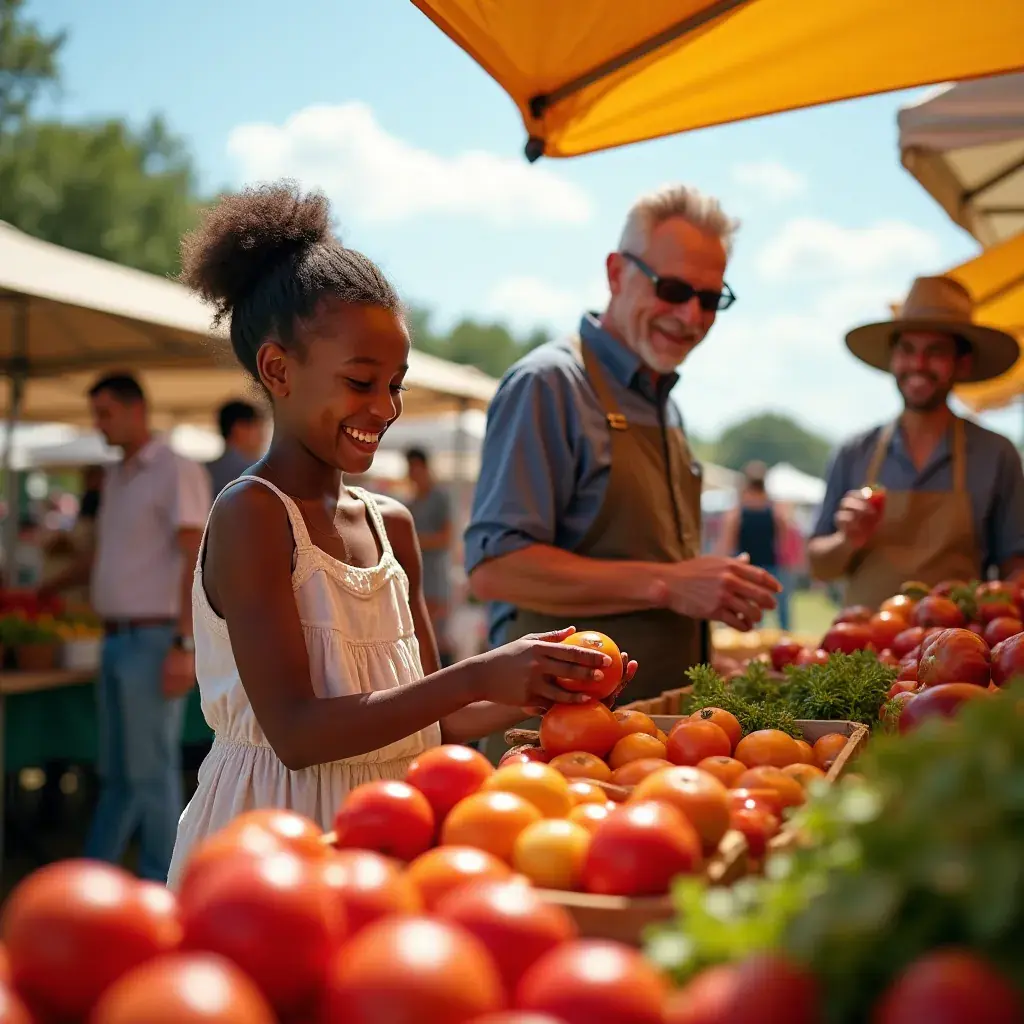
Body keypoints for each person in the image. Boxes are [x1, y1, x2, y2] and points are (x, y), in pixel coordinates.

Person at [166, 181, 635, 888]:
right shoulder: (253, 514)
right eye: (361, 382)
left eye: (396, 384)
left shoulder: (392, 526)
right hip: (273, 845)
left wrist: (544, 690)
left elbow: (432, 719)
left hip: (390, 830)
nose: (385, 408)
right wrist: (477, 673)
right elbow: (296, 733)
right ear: (277, 370)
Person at [464, 184, 780, 701]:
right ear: (616, 273)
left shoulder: (665, 405)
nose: (692, 316)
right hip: (558, 732)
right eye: (672, 290)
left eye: (709, 299)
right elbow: (496, 570)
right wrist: (669, 583)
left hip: (654, 728)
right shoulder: (550, 384)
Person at [38, 374, 212, 882]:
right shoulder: (116, 476)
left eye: (105, 413)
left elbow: (195, 558)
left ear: (138, 410)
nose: (98, 425)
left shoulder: (175, 469)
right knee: (118, 775)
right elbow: (106, 555)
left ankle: (160, 882)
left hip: (155, 638)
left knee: (149, 775)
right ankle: (98, 878)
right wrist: (51, 586)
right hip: (117, 639)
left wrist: (184, 643)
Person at [809, 276, 1024, 608]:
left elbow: (1015, 565)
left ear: (962, 364)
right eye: (907, 350)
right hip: (863, 637)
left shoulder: (996, 454)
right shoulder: (854, 452)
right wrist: (847, 539)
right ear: (892, 358)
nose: (918, 365)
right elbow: (818, 566)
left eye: (935, 352)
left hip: (956, 639)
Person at [716, 461, 793, 631]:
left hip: (747, 569)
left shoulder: (737, 512)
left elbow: (727, 544)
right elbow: (784, 541)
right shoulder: (775, 511)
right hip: (771, 566)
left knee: (751, 616)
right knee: (782, 615)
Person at [403, 447, 454, 666]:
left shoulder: (440, 497)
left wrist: (414, 540)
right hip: (414, 575)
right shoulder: (411, 502)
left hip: (435, 575)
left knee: (434, 634)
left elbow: (446, 538)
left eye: (414, 468)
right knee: (419, 633)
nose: (412, 473)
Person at [206, 399, 266, 496]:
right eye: (258, 428)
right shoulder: (257, 473)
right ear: (239, 429)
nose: (262, 437)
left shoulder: (204, 471)